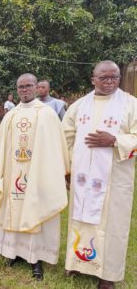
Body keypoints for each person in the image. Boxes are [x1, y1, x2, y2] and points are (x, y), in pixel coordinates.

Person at [0, 73, 69, 280]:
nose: (24, 90)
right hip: (14, 172)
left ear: (36, 87)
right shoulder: (11, 115)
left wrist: (57, 171)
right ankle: (14, 253)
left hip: (39, 173)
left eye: (28, 86)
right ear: (16, 89)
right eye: (20, 87)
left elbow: (56, 146)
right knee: (15, 207)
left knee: (36, 208)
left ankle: (35, 258)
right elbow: (0, 145)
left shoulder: (47, 114)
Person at [63, 60, 137, 289]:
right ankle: (77, 262)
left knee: (112, 225)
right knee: (80, 218)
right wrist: (67, 168)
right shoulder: (79, 105)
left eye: (114, 77)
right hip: (83, 176)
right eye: (104, 77)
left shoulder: (131, 104)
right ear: (93, 79)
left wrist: (114, 140)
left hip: (114, 177)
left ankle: (108, 275)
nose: (110, 82)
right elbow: (65, 136)